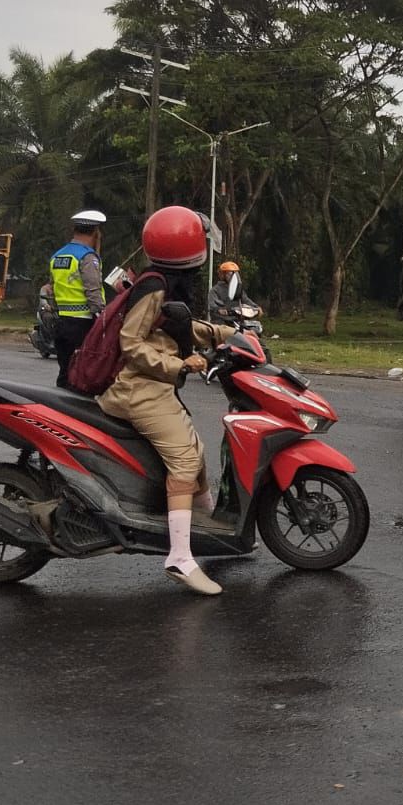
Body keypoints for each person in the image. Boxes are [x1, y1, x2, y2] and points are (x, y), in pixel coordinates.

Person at [97, 205, 235, 596]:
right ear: (188, 247)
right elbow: (131, 342)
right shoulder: (154, 287)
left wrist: (227, 334)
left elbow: (176, 325)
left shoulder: (164, 283)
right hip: (139, 390)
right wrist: (178, 364)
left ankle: (211, 533)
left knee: (197, 451)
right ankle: (179, 556)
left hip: (154, 387)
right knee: (185, 461)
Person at [49, 210, 107, 390]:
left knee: (64, 373)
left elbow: (52, 288)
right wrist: (103, 318)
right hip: (83, 324)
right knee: (80, 376)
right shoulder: (87, 257)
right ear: (95, 233)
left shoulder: (58, 255)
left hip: (61, 322)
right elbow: (93, 290)